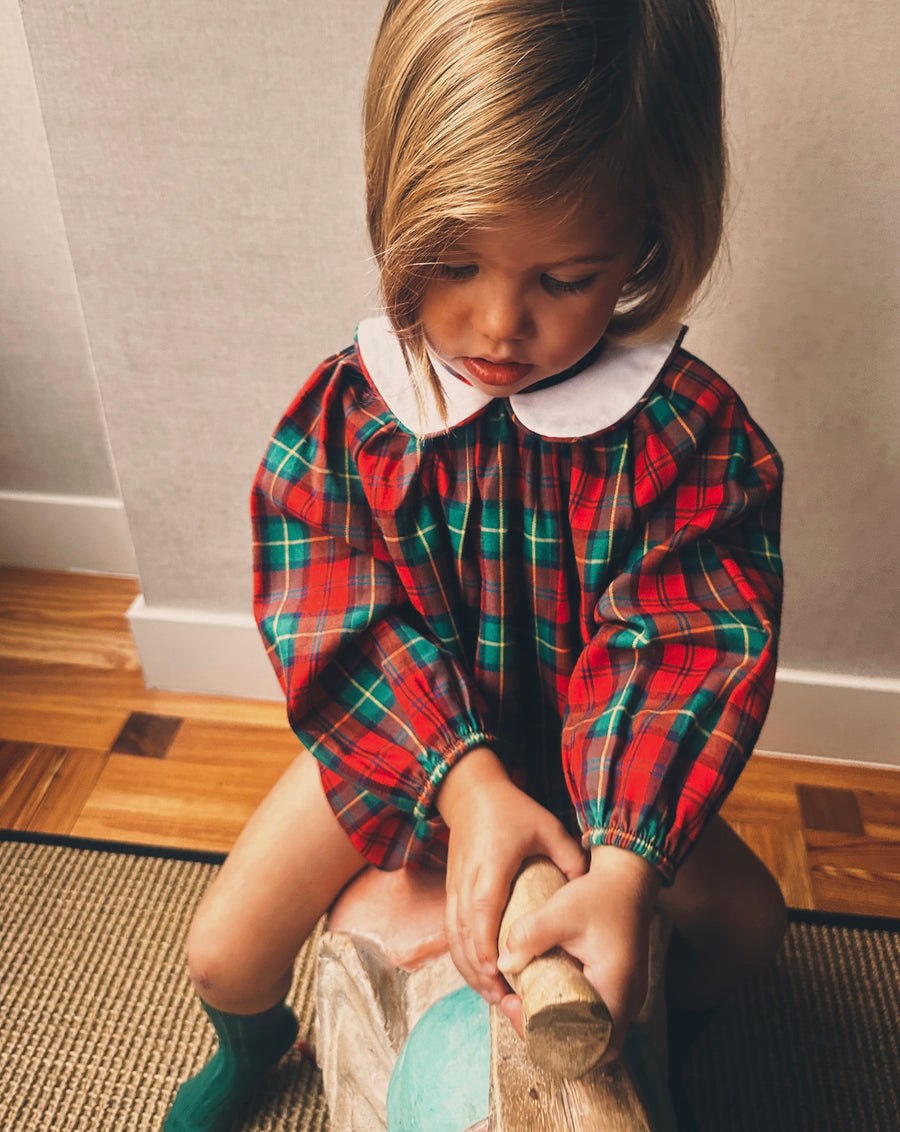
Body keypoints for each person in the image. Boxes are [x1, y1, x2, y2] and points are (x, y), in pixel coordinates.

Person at [164, 1, 787, 1128]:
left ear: (647, 238)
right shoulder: (353, 416)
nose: (498, 324)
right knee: (221, 952)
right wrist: (466, 778)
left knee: (749, 929)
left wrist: (628, 862)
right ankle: (254, 1050)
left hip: (600, 777)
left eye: (566, 277)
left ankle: (649, 1043)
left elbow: (686, 644)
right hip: (420, 750)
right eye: (454, 262)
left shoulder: (689, 441)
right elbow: (335, 616)